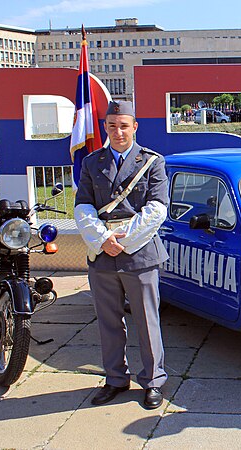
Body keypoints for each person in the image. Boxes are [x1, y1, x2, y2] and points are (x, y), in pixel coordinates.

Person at [74, 100, 169, 409]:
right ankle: (115, 379)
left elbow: (156, 209)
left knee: (146, 321)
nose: (118, 132)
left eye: (124, 126)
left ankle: (153, 381)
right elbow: (83, 206)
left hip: (139, 255)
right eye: (112, 126)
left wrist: (122, 243)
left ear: (134, 127)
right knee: (108, 322)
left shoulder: (152, 162)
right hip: (102, 255)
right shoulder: (91, 163)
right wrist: (103, 240)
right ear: (106, 127)